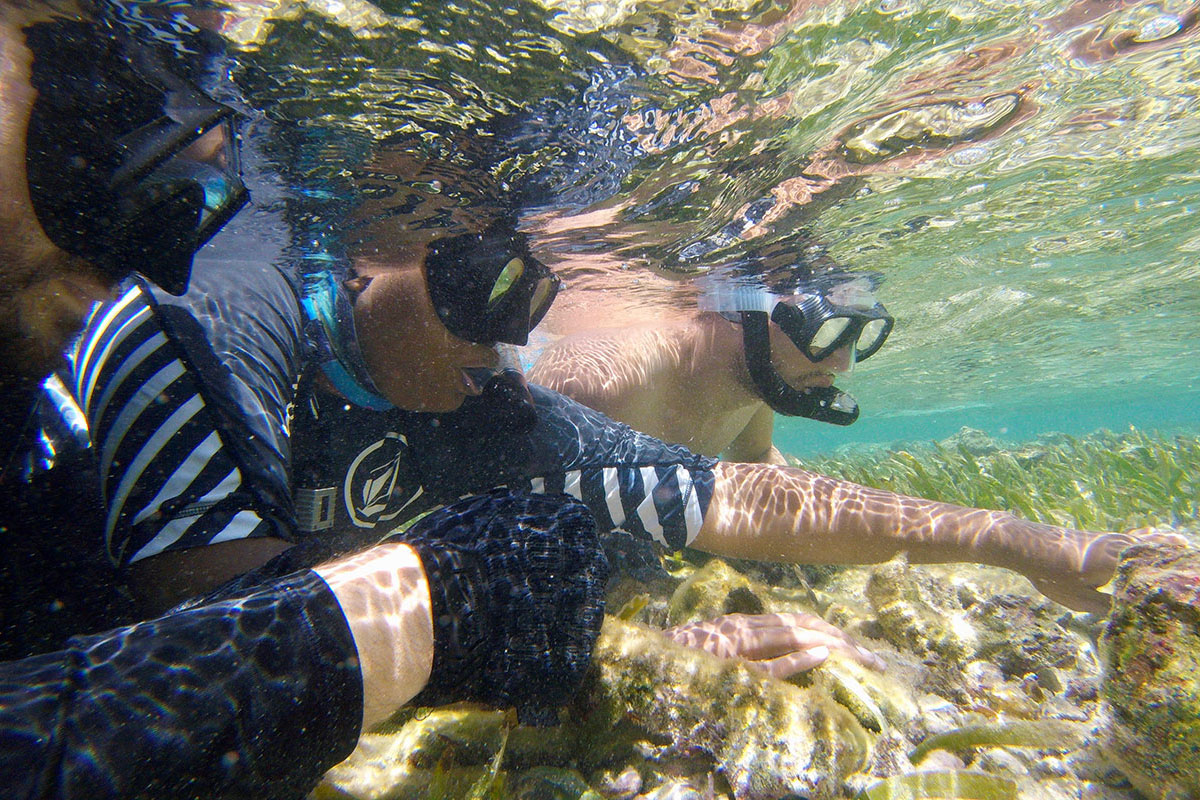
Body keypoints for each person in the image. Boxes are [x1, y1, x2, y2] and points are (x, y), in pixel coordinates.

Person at [0, 4, 611, 797]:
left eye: (179, 208)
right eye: (88, 141)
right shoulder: (203, 328)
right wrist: (424, 610)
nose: (146, 270)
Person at [529, 265, 886, 465]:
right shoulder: (595, 383)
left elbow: (755, 457)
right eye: (825, 332)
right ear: (746, 311)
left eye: (855, 339)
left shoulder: (755, 385)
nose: (840, 363)